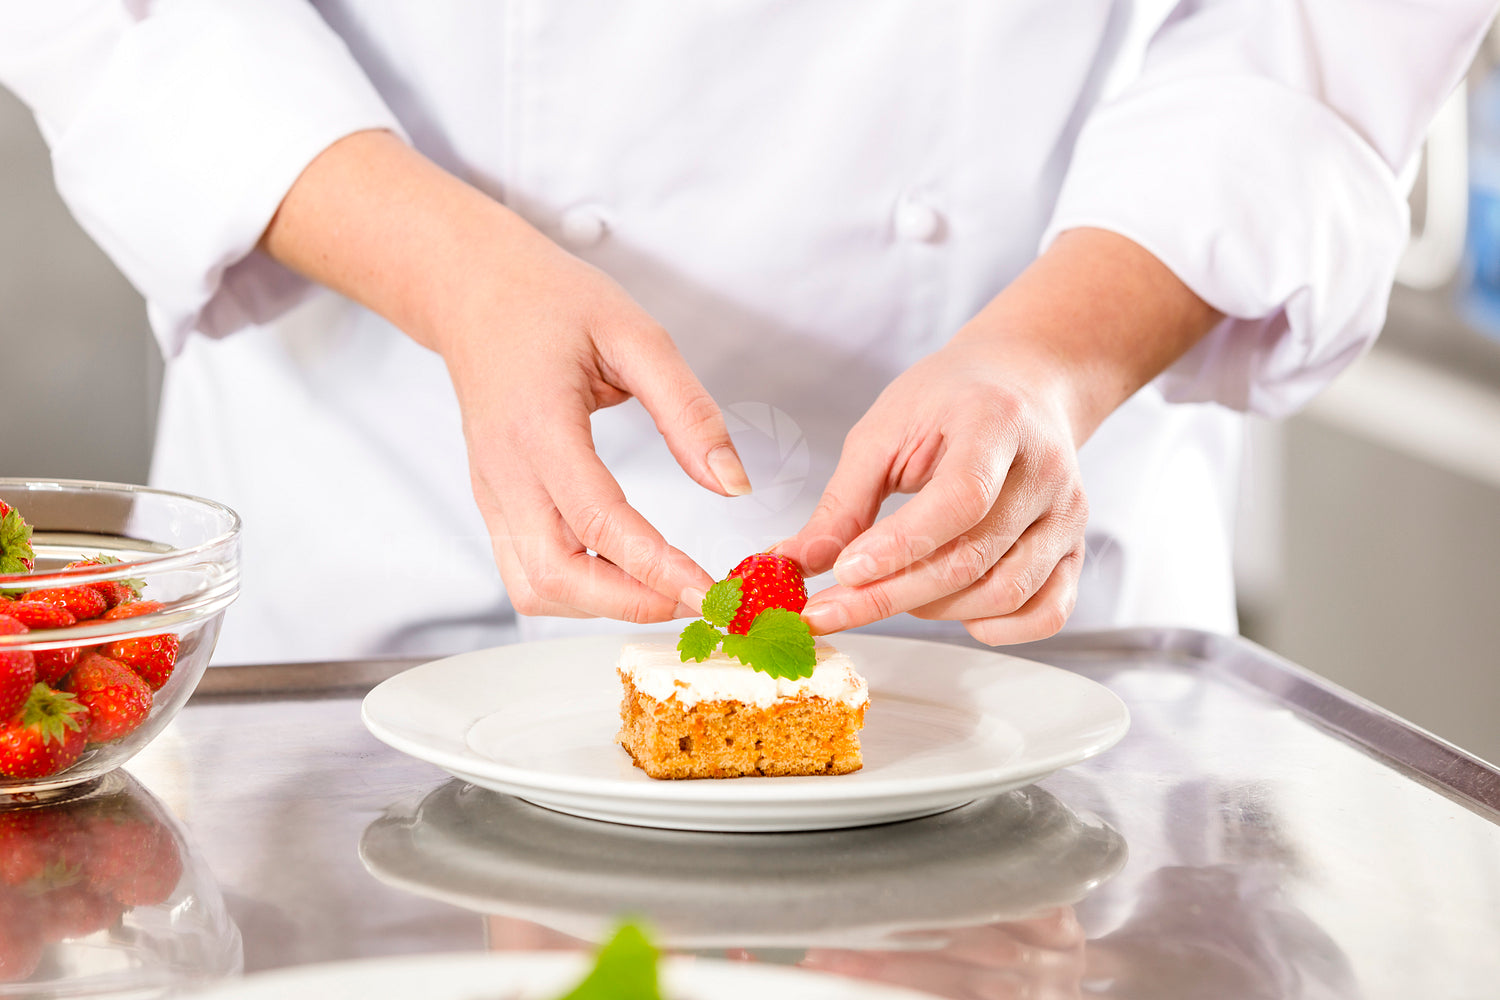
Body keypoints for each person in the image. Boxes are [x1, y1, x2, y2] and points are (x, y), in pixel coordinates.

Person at [1, 2, 1492, 664]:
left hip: (1019, 597)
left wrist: (1058, 351)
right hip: (387, 536)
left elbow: (1329, 25)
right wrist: (455, 273)